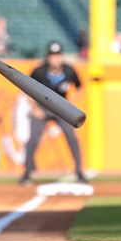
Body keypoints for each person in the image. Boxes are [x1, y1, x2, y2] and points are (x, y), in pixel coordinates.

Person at [19, 41, 86, 185]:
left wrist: (71, 104)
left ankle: (80, 172)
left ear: (61, 56)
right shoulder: (39, 71)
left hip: (61, 109)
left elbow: (80, 87)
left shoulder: (69, 70)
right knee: (33, 140)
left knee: (72, 138)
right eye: (52, 56)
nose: (55, 59)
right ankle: (27, 174)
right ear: (48, 57)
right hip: (42, 108)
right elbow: (26, 89)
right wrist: (34, 108)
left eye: (57, 55)